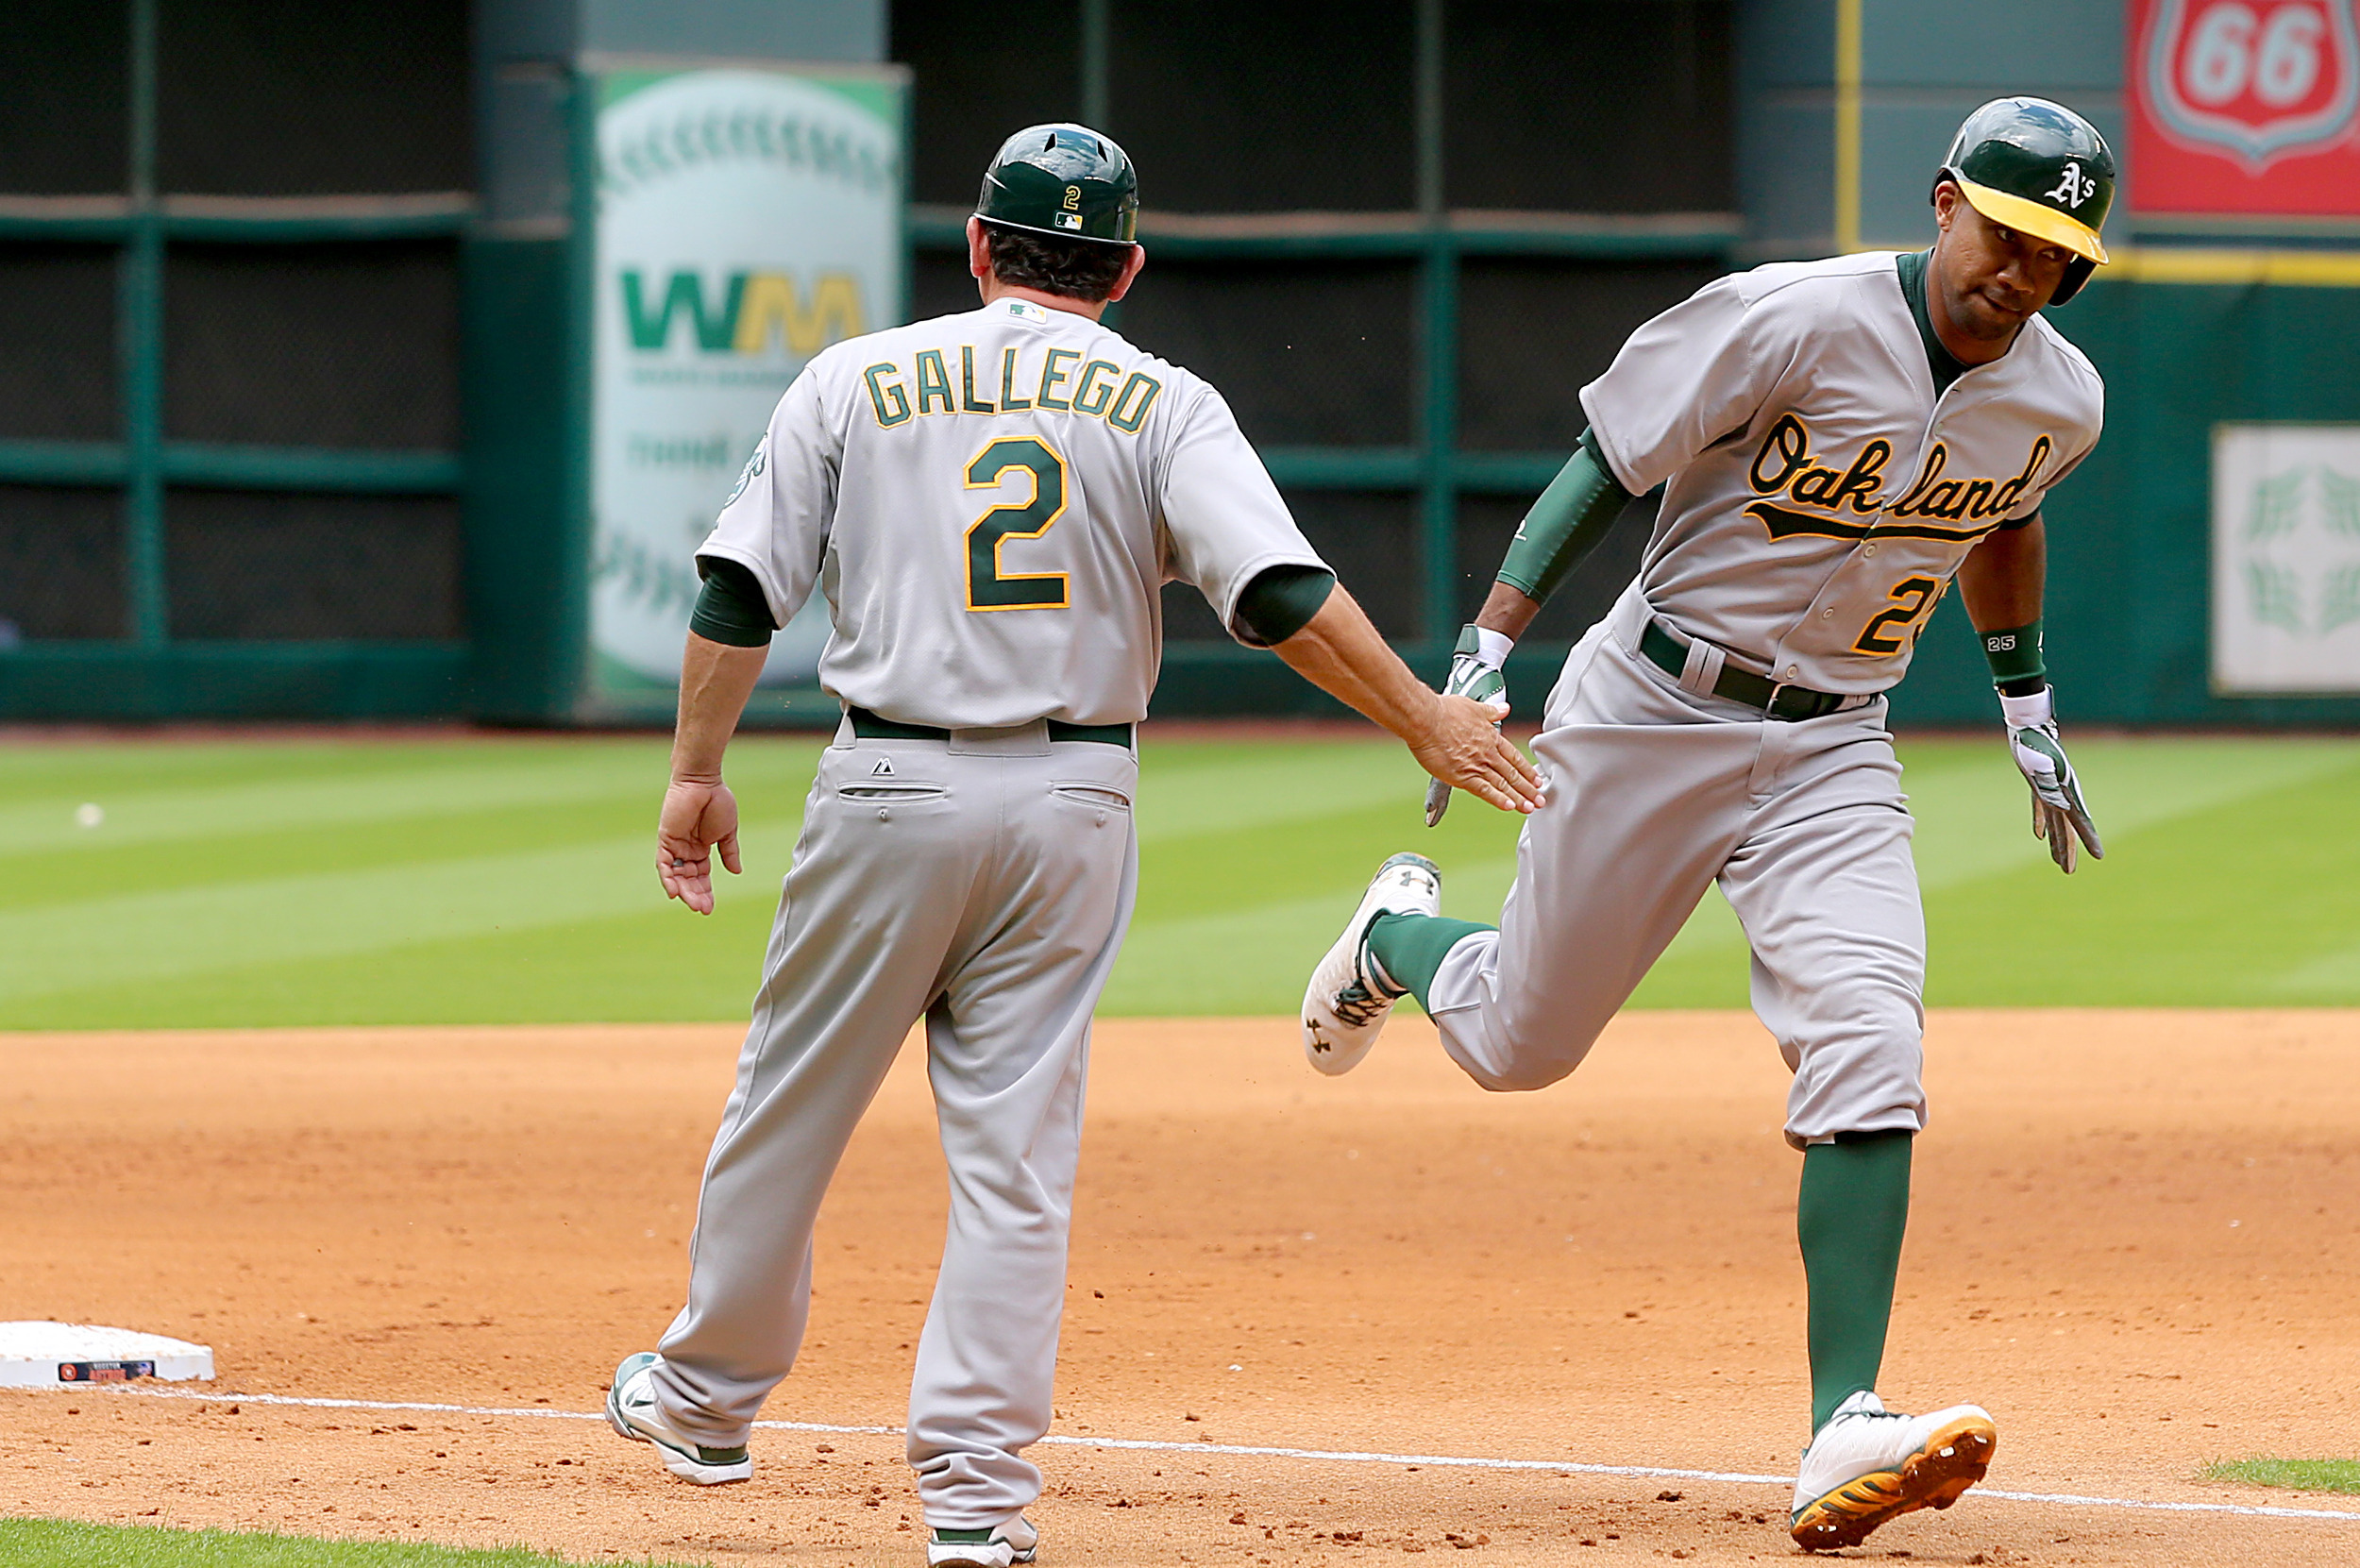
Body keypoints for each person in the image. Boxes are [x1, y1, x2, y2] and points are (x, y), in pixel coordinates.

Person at [603, 122, 1542, 1568]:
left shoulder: (854, 376)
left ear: (978, 250)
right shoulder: (1164, 400)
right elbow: (1280, 589)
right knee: (1016, 1155)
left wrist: (693, 774)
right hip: (1075, 800)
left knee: (789, 1102)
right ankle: (977, 1500)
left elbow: (741, 587)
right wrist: (1421, 717)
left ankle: (709, 1400)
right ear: (1129, 269)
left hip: (889, 784)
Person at [1299, 97, 2111, 1553]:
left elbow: (2005, 517)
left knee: (1871, 1023)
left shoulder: (2060, 397)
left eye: (2055, 252)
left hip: (1835, 740)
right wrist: (1487, 650)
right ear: (1943, 205)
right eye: (2005, 232)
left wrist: (2026, 705)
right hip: (1652, 705)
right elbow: (1609, 461)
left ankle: (1842, 1422)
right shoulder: (1787, 318)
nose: (2020, 271)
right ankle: (1396, 937)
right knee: (1517, 1043)